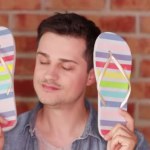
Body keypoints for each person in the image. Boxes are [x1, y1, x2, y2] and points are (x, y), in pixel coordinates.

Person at [0, 12, 149, 150]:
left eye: (66, 67)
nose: (50, 75)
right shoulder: (7, 137)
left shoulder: (129, 143)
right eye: (44, 61)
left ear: (91, 76)